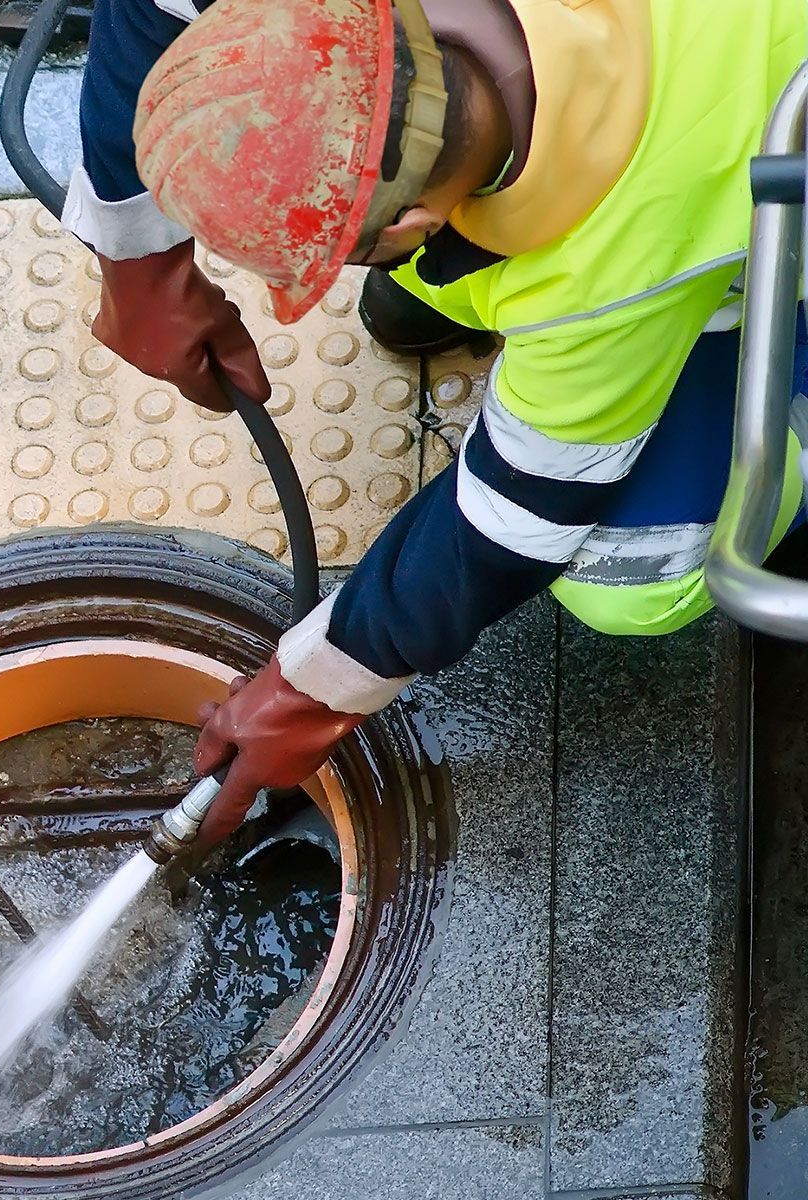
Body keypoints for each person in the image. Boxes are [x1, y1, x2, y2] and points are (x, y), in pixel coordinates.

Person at [108, 0, 806, 843]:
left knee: (630, 577)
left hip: (756, 185)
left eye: (343, 253)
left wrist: (312, 690)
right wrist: (133, 257)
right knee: (421, 292)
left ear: (413, 224)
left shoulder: (608, 276)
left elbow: (510, 522)